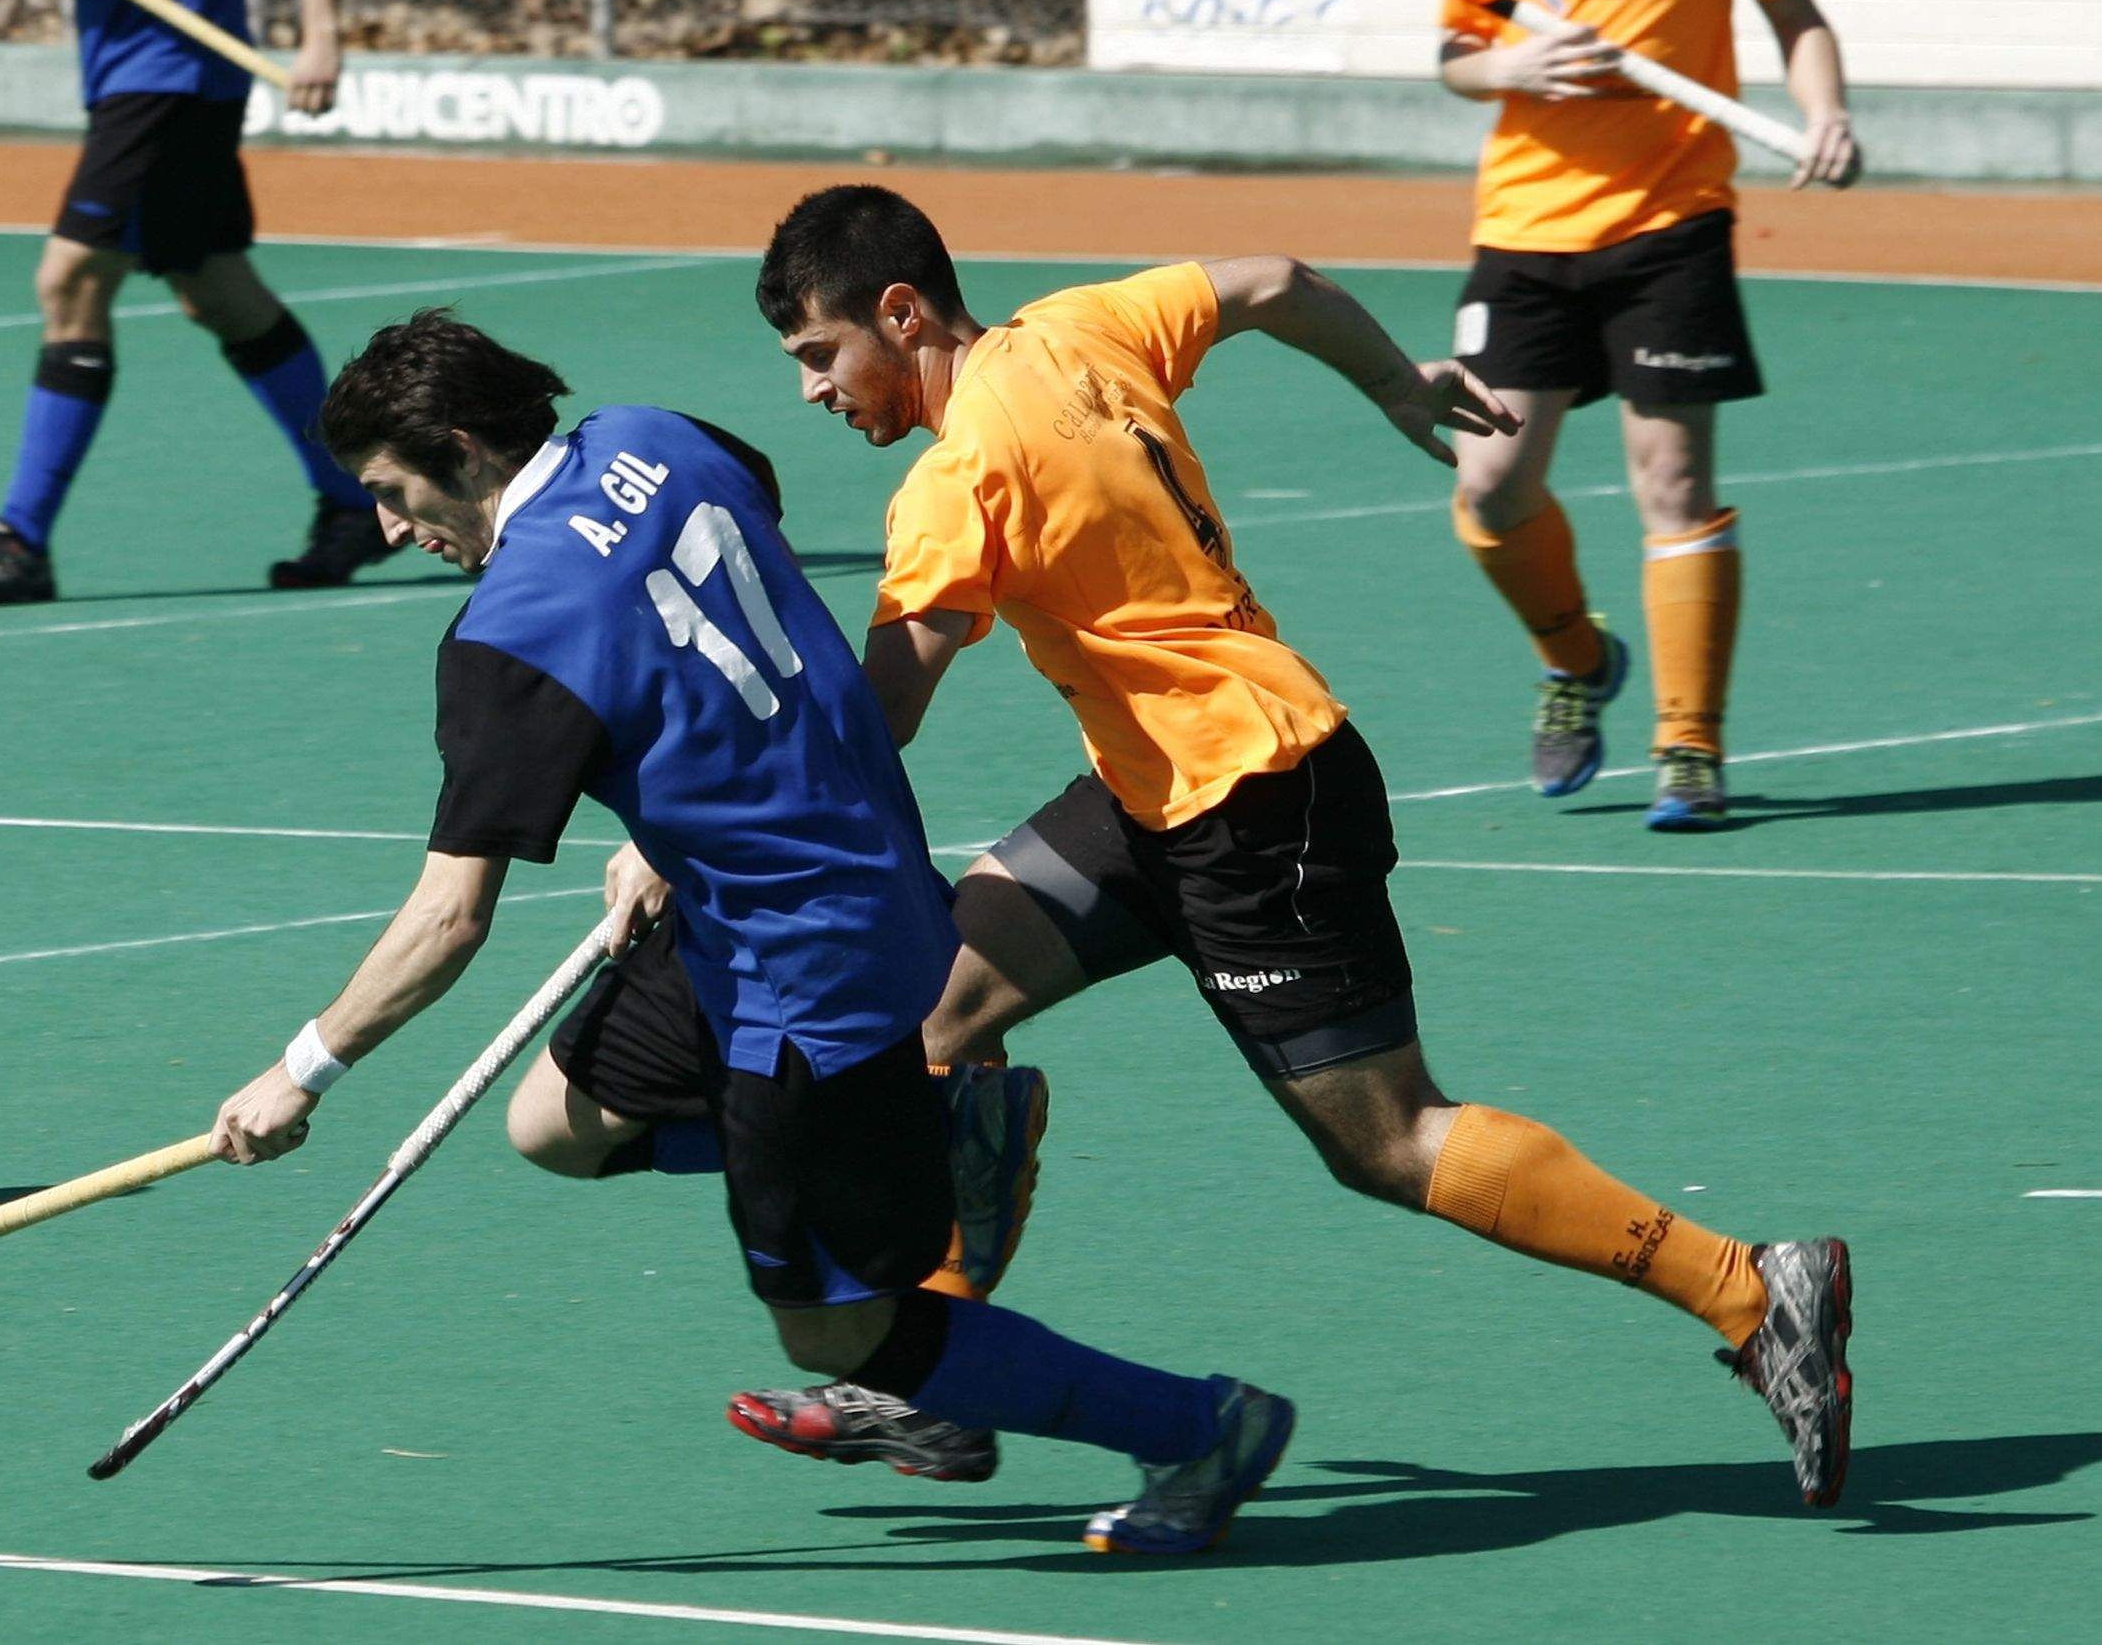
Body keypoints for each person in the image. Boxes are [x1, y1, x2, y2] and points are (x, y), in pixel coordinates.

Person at [696, 184, 1849, 1508]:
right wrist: (1395, 385)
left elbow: (879, 717)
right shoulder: (1081, 324)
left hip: (1253, 805)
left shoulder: (955, 482)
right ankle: (938, 1368)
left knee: (1387, 1138)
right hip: (1151, 787)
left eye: (819, 353)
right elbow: (1273, 280)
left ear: (901, 313)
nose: (812, 389)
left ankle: (1750, 1287)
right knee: (929, 1010)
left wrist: (702, 800)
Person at [204, 308, 1299, 1556]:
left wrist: (301, 1072)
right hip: (786, 885)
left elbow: (449, 915)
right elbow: (737, 541)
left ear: (460, 449)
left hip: (807, 979)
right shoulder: (652, 436)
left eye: (394, 493)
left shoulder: (508, 633)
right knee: (554, 1123)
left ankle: (1196, 1425)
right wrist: (674, 797)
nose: (393, 529)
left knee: (837, 1328)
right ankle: (933, 1129)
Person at [1435, 0, 1860, 826]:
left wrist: (1827, 113)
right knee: (1489, 483)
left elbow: (1794, 12)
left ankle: (1689, 747)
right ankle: (1578, 661)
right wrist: (1509, 69)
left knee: (1673, 483)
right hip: (1520, 232)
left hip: (1672, 223)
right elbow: (1458, 56)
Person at [0, 0, 391, 605]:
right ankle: (353, 503)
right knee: (217, 289)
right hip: (135, 66)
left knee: (72, 279)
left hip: (170, 70)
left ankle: (19, 541)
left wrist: (321, 36)